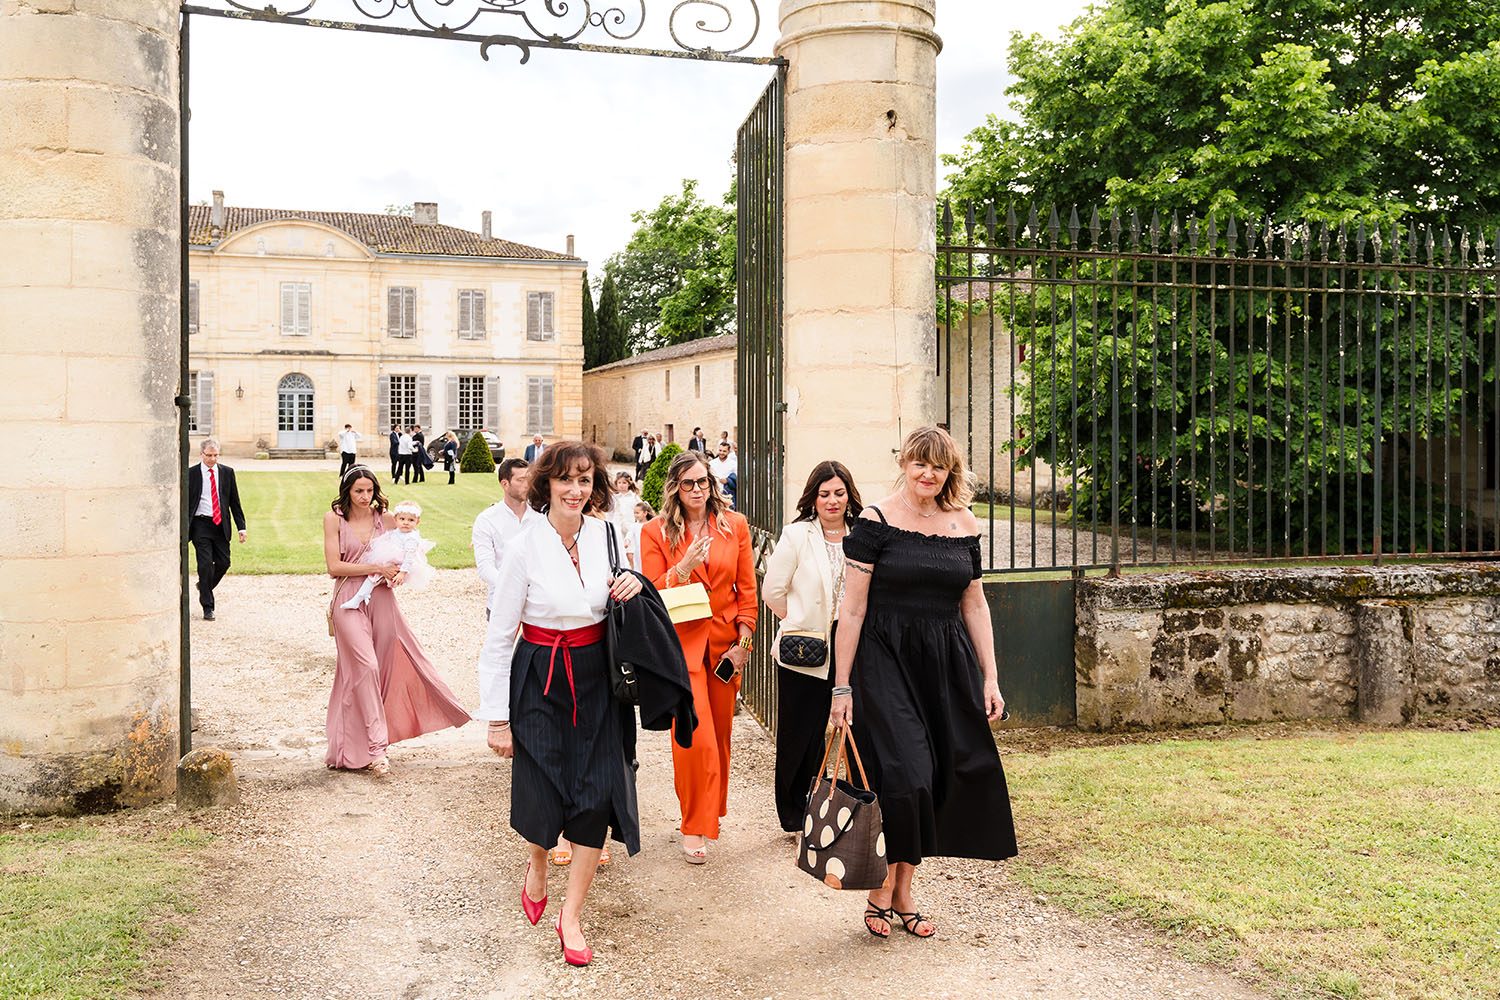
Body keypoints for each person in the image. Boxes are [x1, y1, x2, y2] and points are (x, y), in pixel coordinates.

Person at [829, 425, 1016, 940]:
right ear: (905, 464)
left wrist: (991, 677)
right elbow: (853, 606)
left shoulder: (963, 522)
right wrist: (841, 686)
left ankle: (903, 889)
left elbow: (974, 604)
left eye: (938, 466)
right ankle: (881, 891)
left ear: (949, 471)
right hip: (884, 659)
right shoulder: (876, 520)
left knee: (934, 777)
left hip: (946, 664)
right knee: (907, 774)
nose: (928, 474)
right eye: (919, 463)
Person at [476, 441, 645, 967]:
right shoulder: (525, 545)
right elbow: (501, 636)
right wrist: (496, 718)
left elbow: (630, 589)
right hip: (539, 676)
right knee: (544, 787)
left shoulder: (606, 535)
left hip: (597, 679)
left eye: (586, 480)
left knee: (597, 794)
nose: (576, 490)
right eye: (567, 480)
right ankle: (537, 860)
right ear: (547, 484)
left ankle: (570, 915)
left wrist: (630, 583)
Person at [638, 451, 757, 864]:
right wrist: (682, 568)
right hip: (679, 648)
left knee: (720, 739)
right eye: (687, 483)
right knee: (694, 739)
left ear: (712, 483)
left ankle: (709, 813)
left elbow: (747, 590)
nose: (696, 490)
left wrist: (745, 643)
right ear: (674, 487)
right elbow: (651, 592)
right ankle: (693, 825)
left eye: (702, 482)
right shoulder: (654, 532)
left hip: (725, 647)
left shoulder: (735, 525)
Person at [323, 466, 469, 776]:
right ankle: (377, 749)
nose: (365, 497)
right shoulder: (333, 519)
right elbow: (334, 566)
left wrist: (404, 571)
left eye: (369, 491)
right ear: (347, 491)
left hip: (383, 598)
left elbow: (411, 550)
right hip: (348, 600)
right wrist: (376, 565)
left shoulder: (386, 520)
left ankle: (354, 745)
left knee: (385, 668)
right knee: (365, 667)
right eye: (358, 491)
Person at [761, 461, 862, 833]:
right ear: (813, 498)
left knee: (849, 729)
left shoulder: (862, 534)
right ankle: (794, 812)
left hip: (851, 645)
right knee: (799, 734)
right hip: (805, 649)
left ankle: (848, 803)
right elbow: (771, 589)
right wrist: (798, 619)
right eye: (824, 494)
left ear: (849, 494)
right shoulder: (797, 535)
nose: (832, 501)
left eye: (839, 492)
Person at [472, 459, 542, 616]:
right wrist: (514, 587)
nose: (527, 484)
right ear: (505, 484)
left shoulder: (541, 518)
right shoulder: (487, 519)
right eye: (521, 480)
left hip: (539, 604)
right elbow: (485, 568)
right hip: (501, 603)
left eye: (529, 479)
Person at [187, 438, 247, 621]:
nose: (212, 459)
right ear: (201, 454)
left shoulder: (227, 473)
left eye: (215, 455)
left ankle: (204, 586)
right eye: (209, 455)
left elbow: (234, 502)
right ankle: (208, 606)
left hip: (220, 525)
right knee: (204, 565)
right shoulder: (191, 474)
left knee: (223, 563)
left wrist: (241, 527)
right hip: (200, 525)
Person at [341, 499, 435, 609]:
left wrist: (403, 573)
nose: (406, 522)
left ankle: (359, 598)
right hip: (392, 558)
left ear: (417, 522)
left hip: (401, 564)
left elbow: (409, 557)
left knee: (374, 576)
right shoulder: (397, 532)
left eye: (411, 520)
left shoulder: (411, 538)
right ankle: (361, 596)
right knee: (373, 575)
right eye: (402, 519)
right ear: (395, 519)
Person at [609, 473, 641, 571]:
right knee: (618, 552)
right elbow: (610, 513)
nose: (622, 485)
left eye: (624, 483)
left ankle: (634, 571)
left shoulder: (634, 497)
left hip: (629, 528)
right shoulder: (614, 498)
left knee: (630, 554)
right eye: (619, 483)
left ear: (629, 484)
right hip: (617, 527)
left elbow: (640, 509)